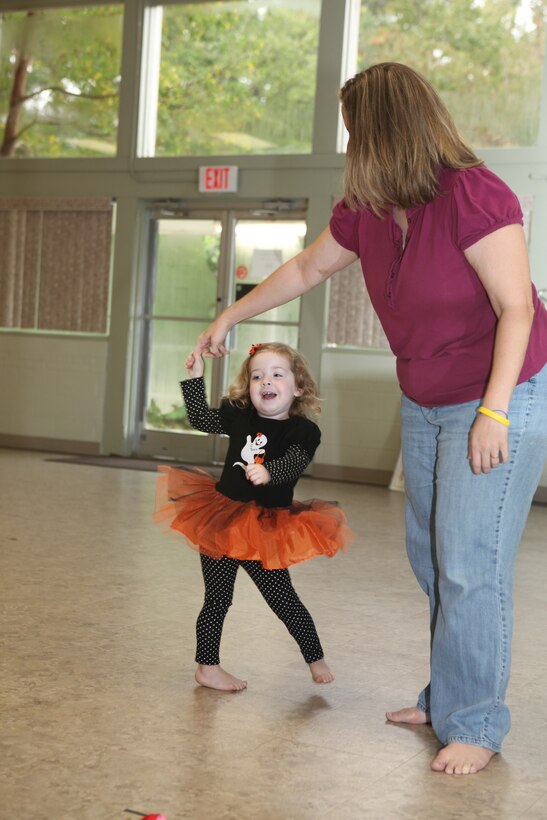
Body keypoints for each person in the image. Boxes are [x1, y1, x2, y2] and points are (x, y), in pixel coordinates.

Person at [191, 62, 547, 773]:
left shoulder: (476, 196)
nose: (351, 144)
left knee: (469, 569)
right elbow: (305, 270)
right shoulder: (371, 204)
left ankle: (473, 721)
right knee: (434, 559)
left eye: (355, 130)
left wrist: (494, 413)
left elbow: (516, 308)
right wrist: (232, 311)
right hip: (424, 398)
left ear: (383, 130)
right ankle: (446, 694)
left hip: (500, 393)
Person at [154, 342, 353, 692]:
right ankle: (207, 666)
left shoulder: (303, 431)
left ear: (298, 387)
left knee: (283, 598)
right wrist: (195, 380)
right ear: (248, 387)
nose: (266, 382)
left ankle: (315, 656)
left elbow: (296, 461)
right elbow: (200, 419)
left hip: (265, 528)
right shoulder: (239, 415)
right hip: (222, 520)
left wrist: (269, 472)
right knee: (217, 598)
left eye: (277, 375)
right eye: (257, 376)